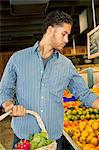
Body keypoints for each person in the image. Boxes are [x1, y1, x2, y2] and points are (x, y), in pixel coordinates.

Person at [0, 10, 99, 150]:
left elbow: (84, 94)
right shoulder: (18, 59)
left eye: (68, 35)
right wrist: (9, 106)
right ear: (50, 30)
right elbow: (5, 89)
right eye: (63, 34)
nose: (66, 40)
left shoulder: (66, 65)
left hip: (53, 139)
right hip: (23, 138)